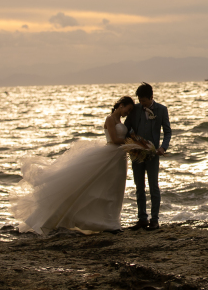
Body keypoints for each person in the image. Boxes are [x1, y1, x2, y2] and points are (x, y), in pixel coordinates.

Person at [10, 96, 134, 235]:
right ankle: (107, 223)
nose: (127, 113)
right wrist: (132, 143)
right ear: (121, 105)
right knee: (100, 188)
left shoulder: (120, 121)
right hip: (110, 155)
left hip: (119, 159)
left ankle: (112, 221)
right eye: (127, 110)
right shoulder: (110, 119)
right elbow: (115, 139)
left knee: (115, 189)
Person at [124, 82, 171, 231]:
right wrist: (131, 142)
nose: (141, 103)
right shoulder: (135, 110)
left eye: (144, 100)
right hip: (137, 154)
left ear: (151, 97)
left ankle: (155, 220)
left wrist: (163, 147)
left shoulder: (162, 110)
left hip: (152, 155)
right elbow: (126, 127)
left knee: (153, 187)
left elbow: (168, 131)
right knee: (139, 187)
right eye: (139, 100)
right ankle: (142, 219)